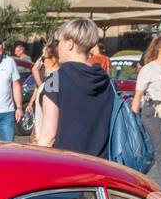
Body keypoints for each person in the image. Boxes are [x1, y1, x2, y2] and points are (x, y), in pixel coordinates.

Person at [36, 18, 111, 159]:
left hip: (68, 166)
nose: (58, 47)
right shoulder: (105, 79)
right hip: (101, 168)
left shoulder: (55, 79)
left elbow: (48, 135)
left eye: (59, 42)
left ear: (69, 44)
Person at [131, 34, 161, 191]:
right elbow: (138, 95)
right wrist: (133, 119)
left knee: (155, 150)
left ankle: (140, 178)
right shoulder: (148, 69)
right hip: (152, 112)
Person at [28, 42, 59, 120]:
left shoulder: (54, 77)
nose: (42, 62)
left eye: (44, 58)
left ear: (54, 59)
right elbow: (38, 86)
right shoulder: (50, 75)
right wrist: (31, 102)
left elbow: (50, 110)